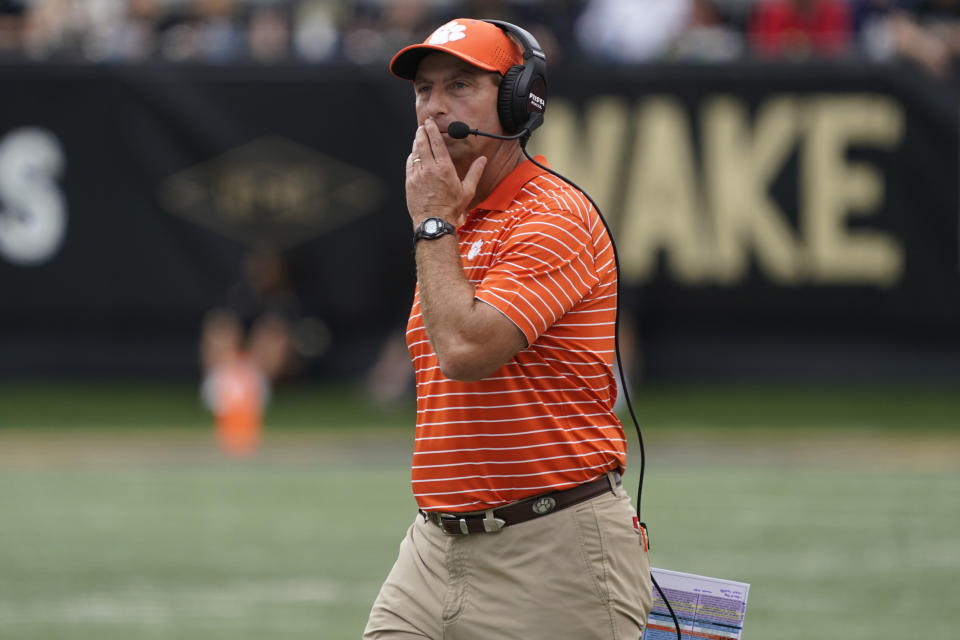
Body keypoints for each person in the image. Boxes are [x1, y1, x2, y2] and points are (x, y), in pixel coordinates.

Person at [363, 18, 653, 639]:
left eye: (459, 85)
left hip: (552, 548)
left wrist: (434, 224)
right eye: (423, 90)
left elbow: (466, 350)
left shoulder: (553, 216)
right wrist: (441, 222)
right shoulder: (449, 216)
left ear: (521, 99)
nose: (433, 107)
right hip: (435, 542)